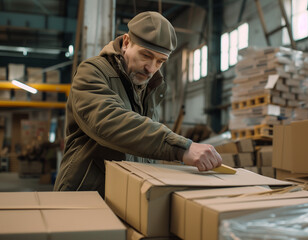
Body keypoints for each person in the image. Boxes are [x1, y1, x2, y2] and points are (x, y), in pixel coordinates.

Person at [54, 11, 222, 198]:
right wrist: (181, 147)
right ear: (126, 43)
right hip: (85, 194)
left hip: (126, 194)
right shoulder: (92, 72)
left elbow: (142, 147)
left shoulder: (148, 87)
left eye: (160, 61)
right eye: (146, 55)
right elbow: (109, 121)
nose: (151, 68)